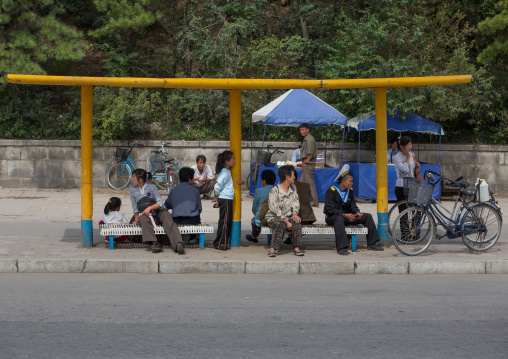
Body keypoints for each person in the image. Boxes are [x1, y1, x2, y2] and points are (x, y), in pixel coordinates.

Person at [324, 165, 384, 255]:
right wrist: (344, 215)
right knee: (339, 219)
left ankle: (372, 243)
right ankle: (341, 247)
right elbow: (329, 209)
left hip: (347, 216)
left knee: (367, 217)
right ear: (343, 182)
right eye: (350, 181)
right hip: (333, 217)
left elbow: (353, 206)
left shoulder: (350, 191)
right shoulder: (331, 191)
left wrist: (357, 213)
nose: (352, 183)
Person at [129, 168, 185, 254]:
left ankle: (178, 244)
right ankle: (154, 243)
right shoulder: (132, 189)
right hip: (147, 215)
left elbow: (160, 203)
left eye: (133, 177)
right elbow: (135, 207)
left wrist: (149, 208)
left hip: (160, 211)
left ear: (140, 179)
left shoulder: (152, 187)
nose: (131, 179)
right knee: (142, 219)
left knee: (169, 222)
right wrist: (136, 220)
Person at [265, 165, 304, 257]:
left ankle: (296, 247)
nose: (295, 177)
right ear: (287, 176)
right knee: (282, 224)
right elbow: (274, 208)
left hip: (288, 215)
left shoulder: (293, 188)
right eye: (293, 174)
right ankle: (273, 248)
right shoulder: (275, 191)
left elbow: (295, 201)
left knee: (297, 221)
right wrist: (285, 220)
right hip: (274, 217)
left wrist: (295, 213)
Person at [213, 150, 245, 250]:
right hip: (225, 198)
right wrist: (217, 199)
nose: (234, 161)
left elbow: (227, 184)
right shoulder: (225, 173)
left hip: (226, 198)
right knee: (225, 222)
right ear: (226, 161)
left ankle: (221, 242)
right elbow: (217, 187)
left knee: (225, 221)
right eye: (232, 159)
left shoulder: (226, 172)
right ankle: (220, 243)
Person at [164, 167, 202, 244]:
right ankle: (187, 236)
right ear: (189, 179)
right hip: (192, 220)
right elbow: (199, 209)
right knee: (197, 218)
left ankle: (182, 236)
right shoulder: (195, 190)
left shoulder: (174, 190)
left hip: (177, 220)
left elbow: (167, 205)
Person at [246, 169, 276, 244]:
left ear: (264, 181)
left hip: (260, 220)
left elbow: (254, 209)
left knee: (255, 220)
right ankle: (271, 240)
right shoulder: (277, 191)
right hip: (274, 220)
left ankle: (254, 236)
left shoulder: (258, 191)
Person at [393, 136, 420, 207]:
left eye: (410, 144)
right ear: (401, 146)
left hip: (412, 184)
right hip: (401, 185)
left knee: (416, 207)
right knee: (403, 208)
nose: (409, 147)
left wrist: (417, 166)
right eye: (407, 145)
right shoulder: (397, 157)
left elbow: (412, 170)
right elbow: (405, 169)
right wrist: (407, 157)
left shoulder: (412, 154)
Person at [298, 123, 318, 207]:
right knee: (301, 182)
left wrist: (306, 162)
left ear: (307, 130)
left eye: (303, 130)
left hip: (308, 163)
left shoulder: (309, 139)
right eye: (300, 130)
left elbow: (310, 153)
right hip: (306, 163)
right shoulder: (306, 139)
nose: (302, 131)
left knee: (309, 183)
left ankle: (314, 202)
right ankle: (300, 200)